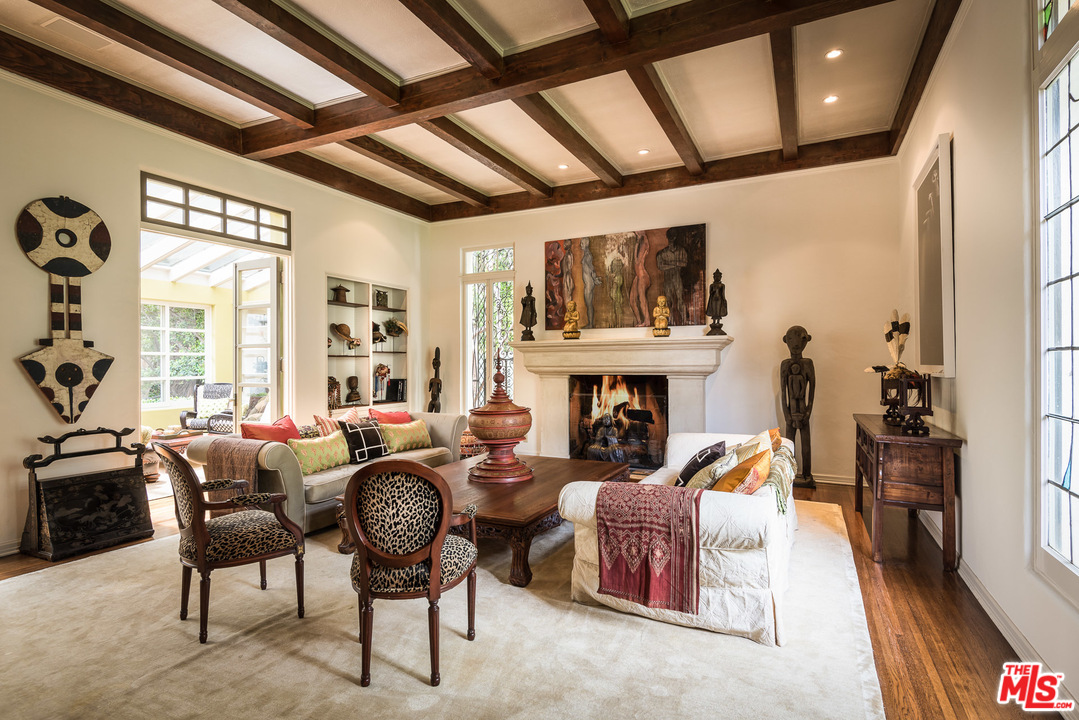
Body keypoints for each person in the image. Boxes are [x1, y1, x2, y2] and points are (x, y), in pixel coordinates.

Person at [780, 325, 815, 485]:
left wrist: (808, 412)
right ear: (786, 341)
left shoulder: (808, 363)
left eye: (800, 339)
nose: (795, 345)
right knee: (788, 444)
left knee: (805, 444)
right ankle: (788, 474)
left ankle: (806, 474)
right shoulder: (784, 364)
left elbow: (812, 390)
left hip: (803, 411)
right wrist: (786, 414)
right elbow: (783, 392)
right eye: (791, 339)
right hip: (791, 411)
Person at [706, 269, 727, 335]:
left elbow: (723, 294)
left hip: (719, 300)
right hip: (713, 300)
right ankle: (714, 322)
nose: (717, 277)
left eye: (718, 276)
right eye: (715, 276)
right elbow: (710, 293)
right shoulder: (712, 285)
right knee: (714, 311)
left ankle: (718, 321)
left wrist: (724, 300)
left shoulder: (722, 285)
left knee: (718, 311)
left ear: (720, 277)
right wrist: (713, 291)